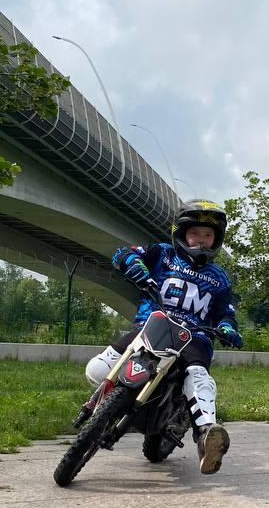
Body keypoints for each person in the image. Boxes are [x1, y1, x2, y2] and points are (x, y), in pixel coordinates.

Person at [83, 199, 243, 474]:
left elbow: (225, 313)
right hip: (152, 325)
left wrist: (228, 328)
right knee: (97, 368)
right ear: (181, 233)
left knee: (197, 374)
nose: (201, 240)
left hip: (194, 337)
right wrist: (134, 265)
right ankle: (106, 404)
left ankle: (206, 434)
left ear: (216, 240)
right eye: (195, 233)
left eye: (208, 235)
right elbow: (123, 253)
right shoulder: (162, 254)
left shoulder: (220, 278)